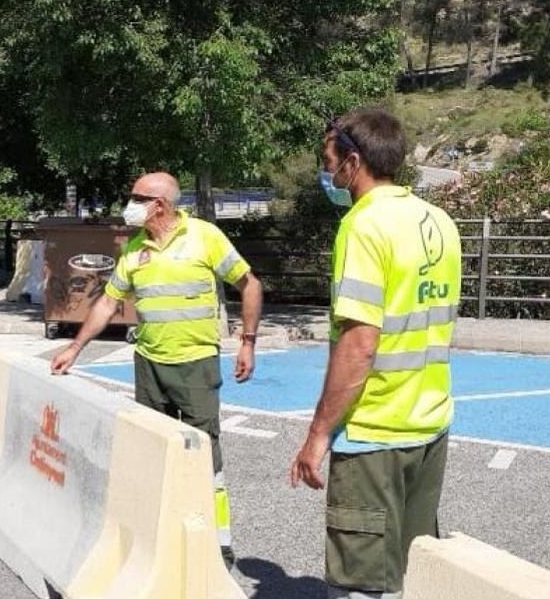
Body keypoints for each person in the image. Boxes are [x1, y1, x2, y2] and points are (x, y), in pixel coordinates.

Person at [51, 171, 264, 569]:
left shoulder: (204, 237)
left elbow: (249, 284)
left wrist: (248, 342)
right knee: (153, 453)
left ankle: (218, 545)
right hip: (149, 365)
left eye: (136, 197)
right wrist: (76, 346)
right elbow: (107, 303)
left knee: (205, 456)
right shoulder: (134, 247)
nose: (129, 204)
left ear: (160, 204)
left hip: (196, 365)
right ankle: (160, 538)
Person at [289, 108, 461, 599]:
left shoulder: (363, 226)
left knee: (359, 583)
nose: (327, 172)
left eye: (328, 161)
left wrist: (317, 435)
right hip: (429, 422)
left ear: (353, 161)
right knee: (410, 572)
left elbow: (360, 343)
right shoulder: (439, 220)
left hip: (375, 431)